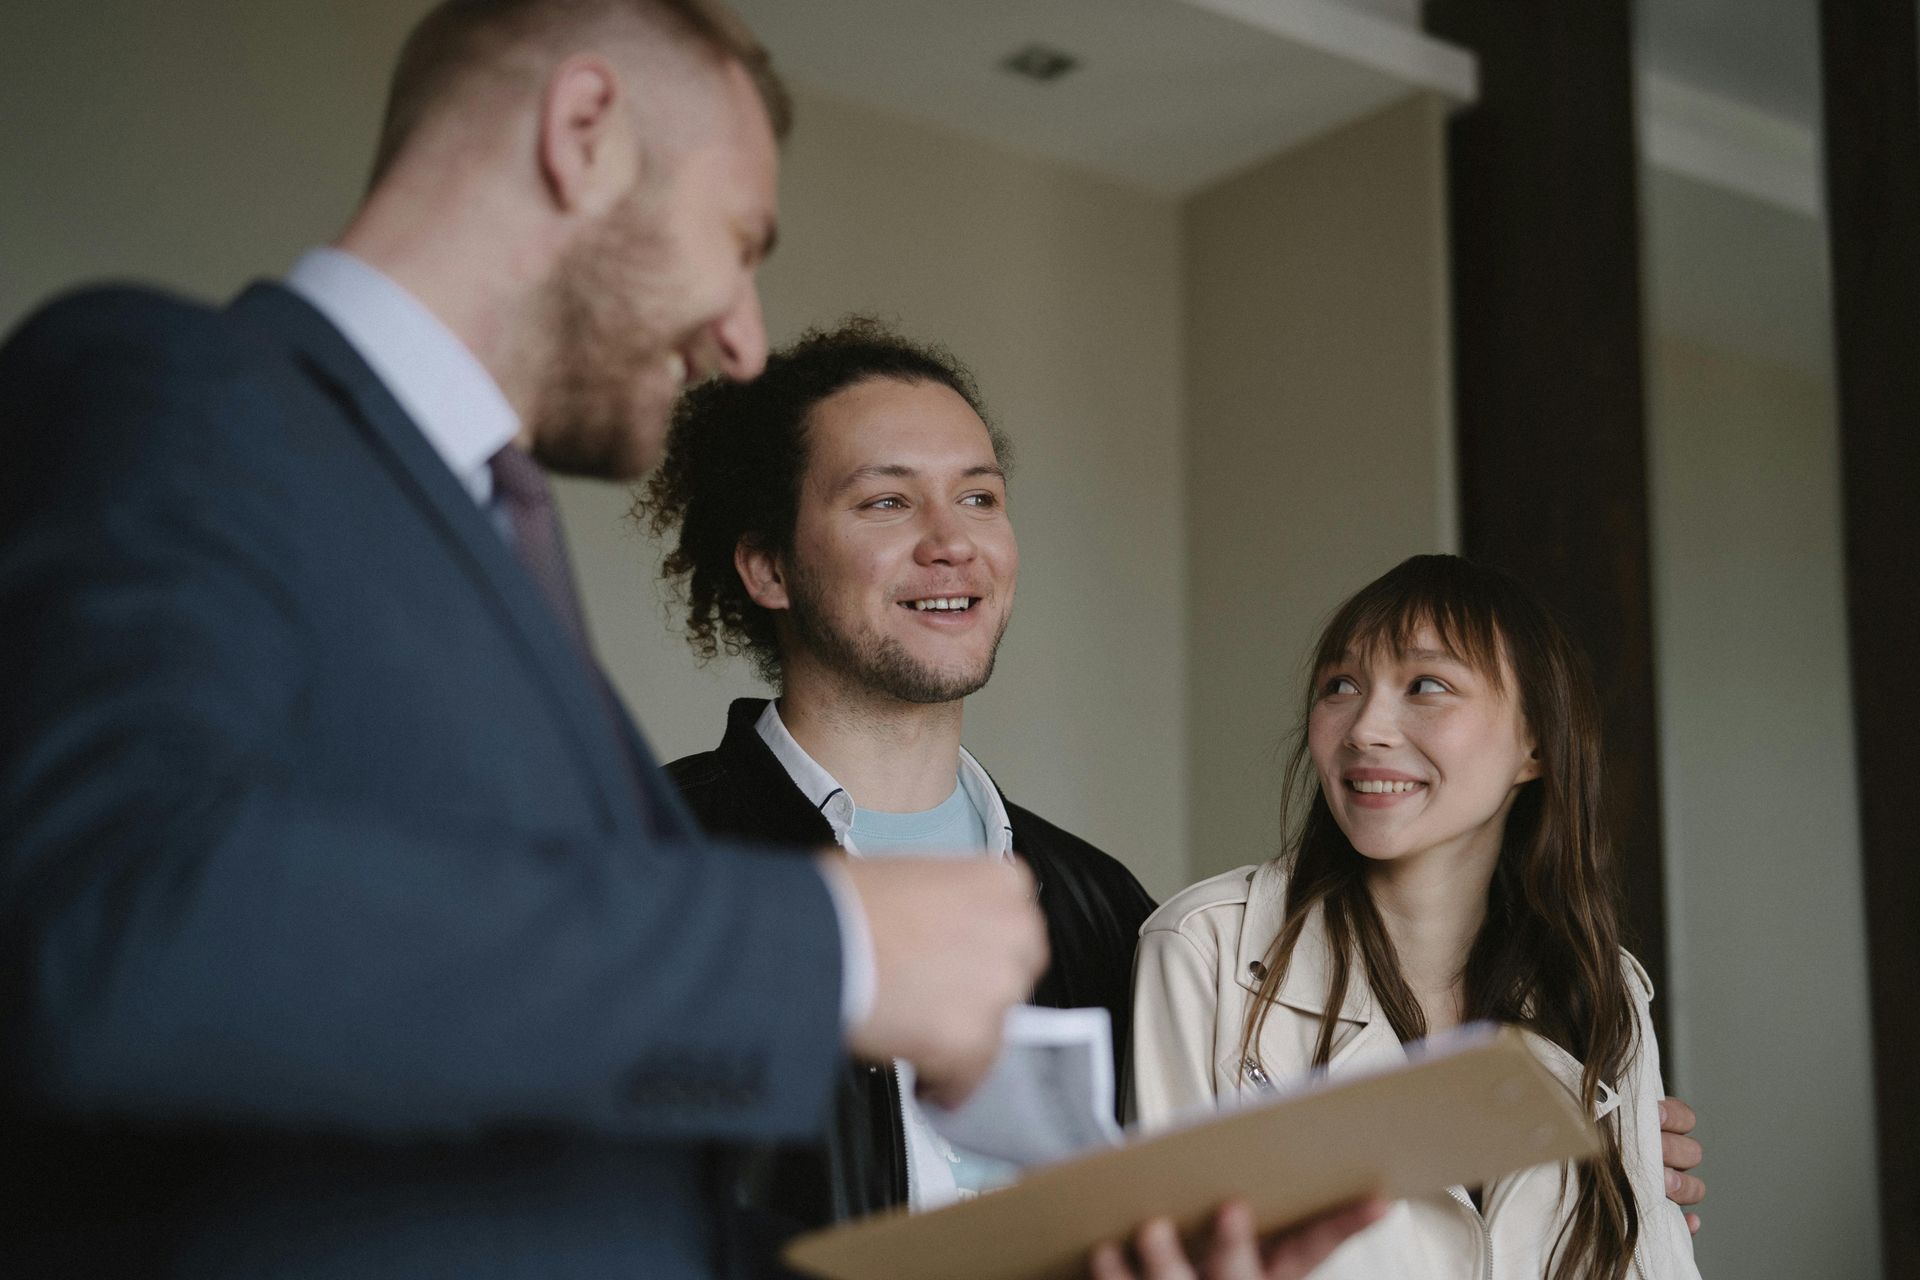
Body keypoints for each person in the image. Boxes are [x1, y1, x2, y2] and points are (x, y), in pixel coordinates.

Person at [0, 4, 1046, 1277]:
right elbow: (112, 925)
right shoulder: (165, 387)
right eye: (737, 240)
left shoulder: (499, 555)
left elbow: (599, 1200)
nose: (743, 338)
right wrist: (824, 947)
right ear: (584, 131)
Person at [636, 319, 1156, 1228]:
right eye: (887, 503)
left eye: (981, 498)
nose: (953, 542)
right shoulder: (645, 860)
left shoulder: (1107, 905)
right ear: (767, 567)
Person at [1130, 554, 1703, 1278]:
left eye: (1426, 685)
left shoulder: (1601, 983)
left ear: (1535, 743)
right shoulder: (1203, 948)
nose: (1366, 728)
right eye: (1340, 685)